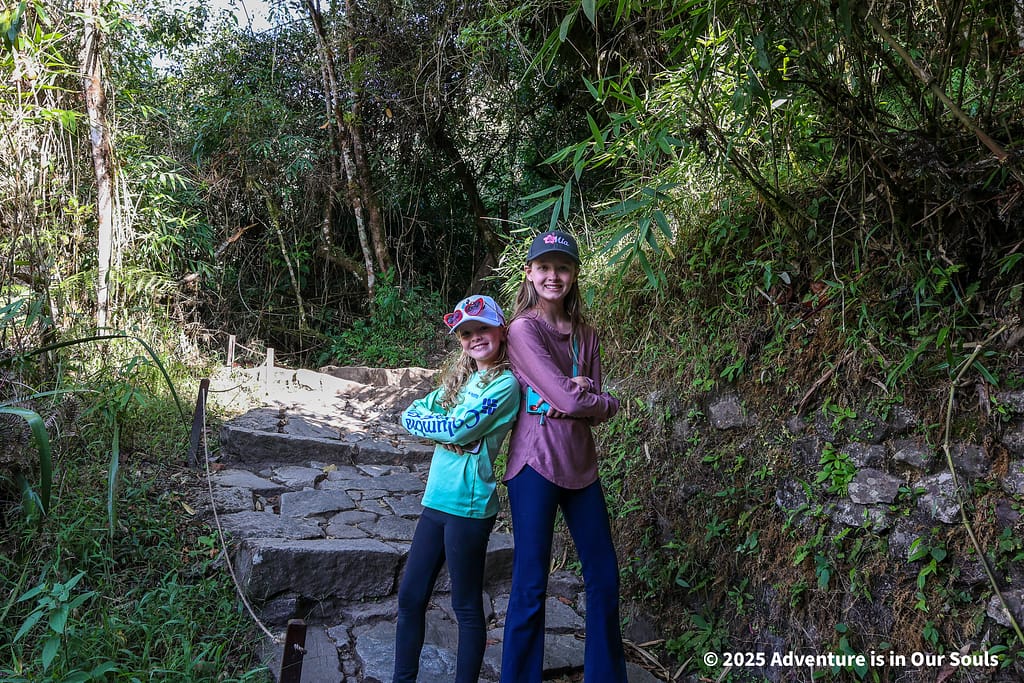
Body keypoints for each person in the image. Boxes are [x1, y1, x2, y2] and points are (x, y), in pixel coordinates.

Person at [500, 230, 627, 683]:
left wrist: (588, 397)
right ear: (530, 274)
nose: (553, 275)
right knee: (531, 585)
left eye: (563, 267)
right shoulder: (522, 329)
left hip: (581, 465)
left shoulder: (587, 335)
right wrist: (579, 394)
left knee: (604, 577)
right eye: (545, 267)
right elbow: (575, 401)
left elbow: (592, 406)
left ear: (574, 275)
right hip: (534, 463)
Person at [394, 294, 521, 683]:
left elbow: (459, 429)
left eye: (483, 328)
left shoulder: (505, 385)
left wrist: (450, 430)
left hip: (469, 506)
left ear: (501, 329)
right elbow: (409, 413)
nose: (475, 337)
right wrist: (448, 432)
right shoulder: (462, 382)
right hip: (436, 499)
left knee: (465, 606)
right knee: (410, 597)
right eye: (466, 333)